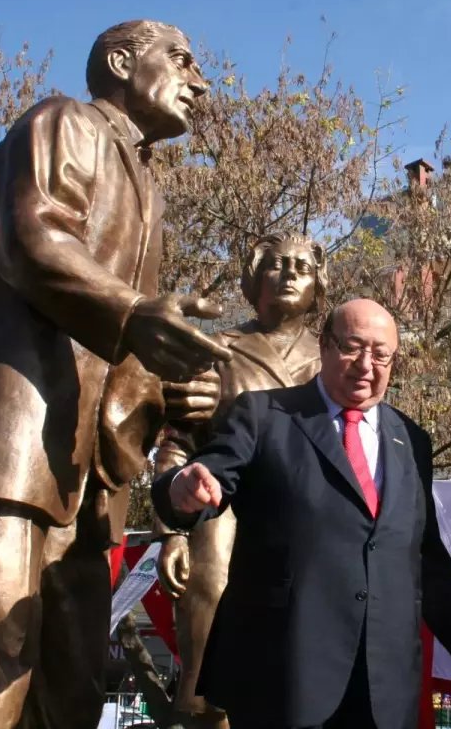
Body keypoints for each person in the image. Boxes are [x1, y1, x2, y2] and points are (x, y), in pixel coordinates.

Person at [0, 18, 231, 728]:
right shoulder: (66, 123)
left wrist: (174, 385)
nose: (200, 81)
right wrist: (141, 316)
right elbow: (33, 239)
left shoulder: (146, 183)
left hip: (82, 488)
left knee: (69, 699)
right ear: (119, 61)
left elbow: (111, 336)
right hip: (2, 460)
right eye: (181, 59)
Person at [152, 298, 451, 729]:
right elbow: (210, 479)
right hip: (282, 675)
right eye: (353, 347)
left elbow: (423, 557)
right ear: (326, 345)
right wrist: (183, 491)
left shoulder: (411, 440)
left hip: (383, 688)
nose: (366, 364)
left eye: (381, 354)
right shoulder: (265, 415)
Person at [153, 232, 329, 728]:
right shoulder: (216, 352)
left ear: (319, 286)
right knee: (212, 573)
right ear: (253, 281)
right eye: (277, 265)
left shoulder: (333, 361)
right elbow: (178, 446)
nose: (291, 273)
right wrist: (170, 532)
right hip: (228, 505)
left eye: (303, 267)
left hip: (309, 515)